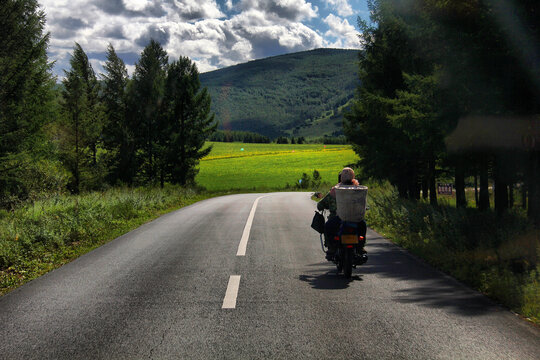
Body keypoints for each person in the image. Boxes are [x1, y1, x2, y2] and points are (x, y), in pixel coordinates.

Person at [317, 167, 362, 260]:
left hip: (338, 219)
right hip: (355, 219)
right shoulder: (358, 189)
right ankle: (361, 247)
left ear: (341, 177)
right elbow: (363, 202)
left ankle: (332, 247)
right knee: (363, 226)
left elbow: (321, 204)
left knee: (327, 227)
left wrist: (321, 206)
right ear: (353, 176)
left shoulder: (335, 190)